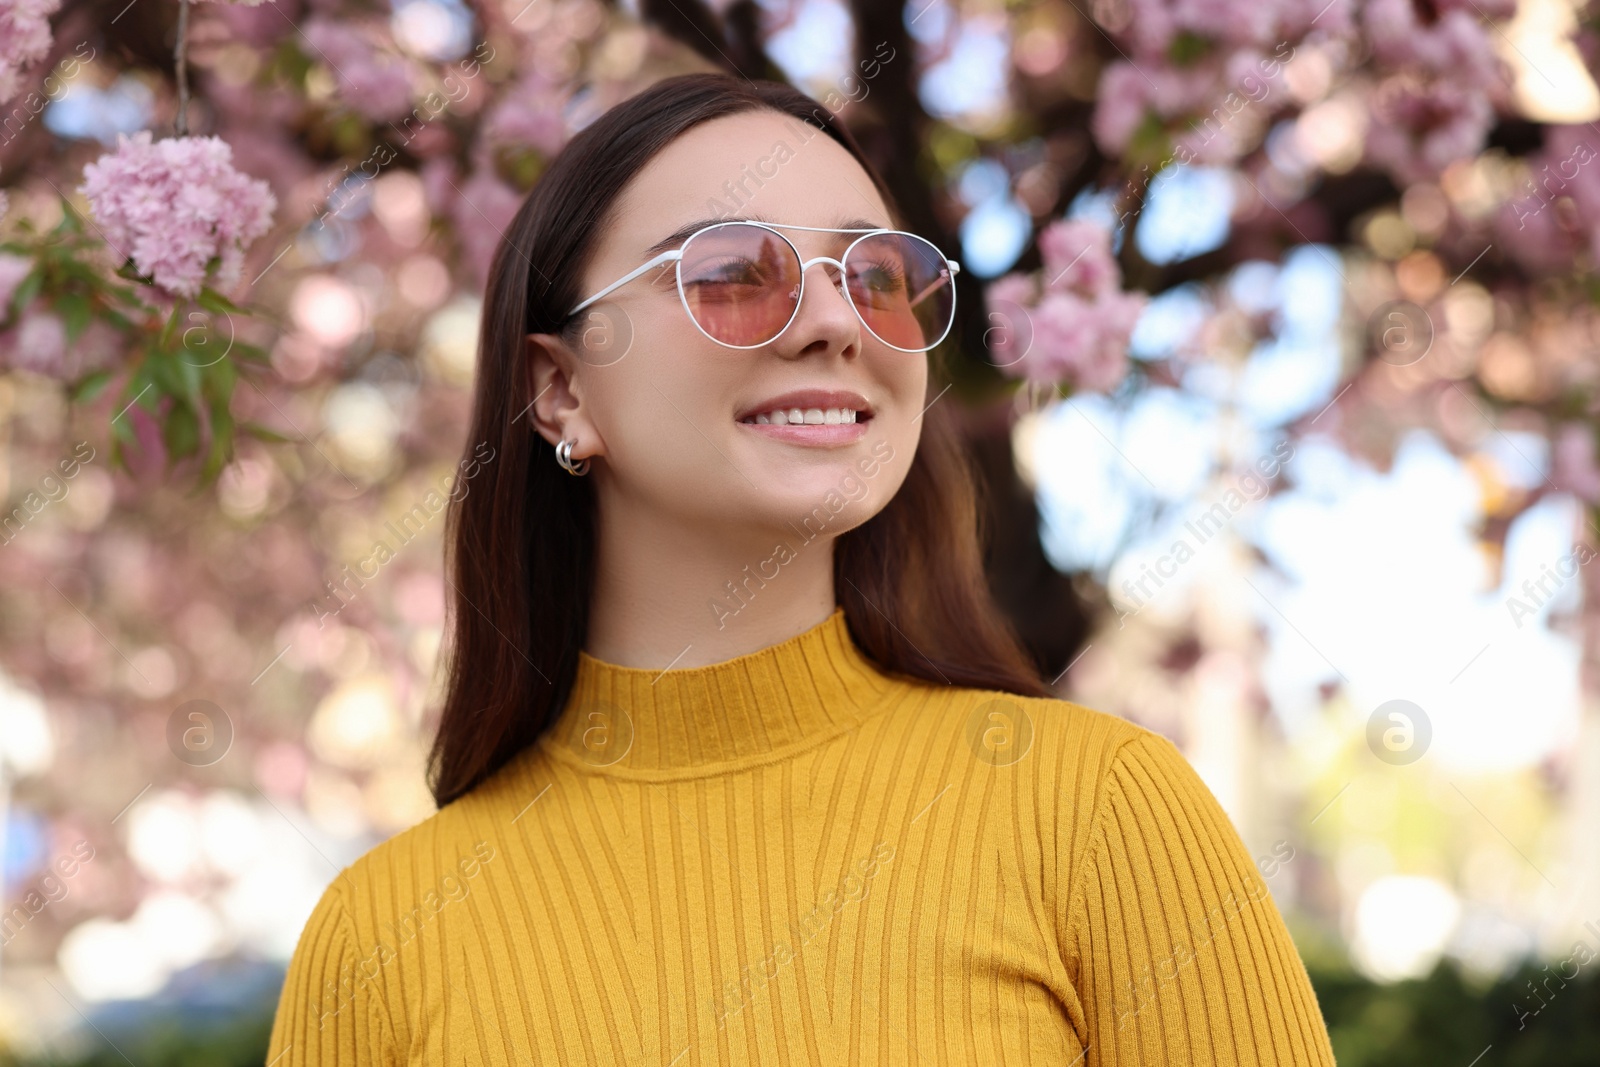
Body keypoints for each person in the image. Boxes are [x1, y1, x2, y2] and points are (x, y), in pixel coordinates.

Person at [265, 72, 1336, 1065]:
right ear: (561, 389)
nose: (832, 321)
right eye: (732, 274)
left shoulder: (1099, 812)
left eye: (878, 277)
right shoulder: (376, 947)